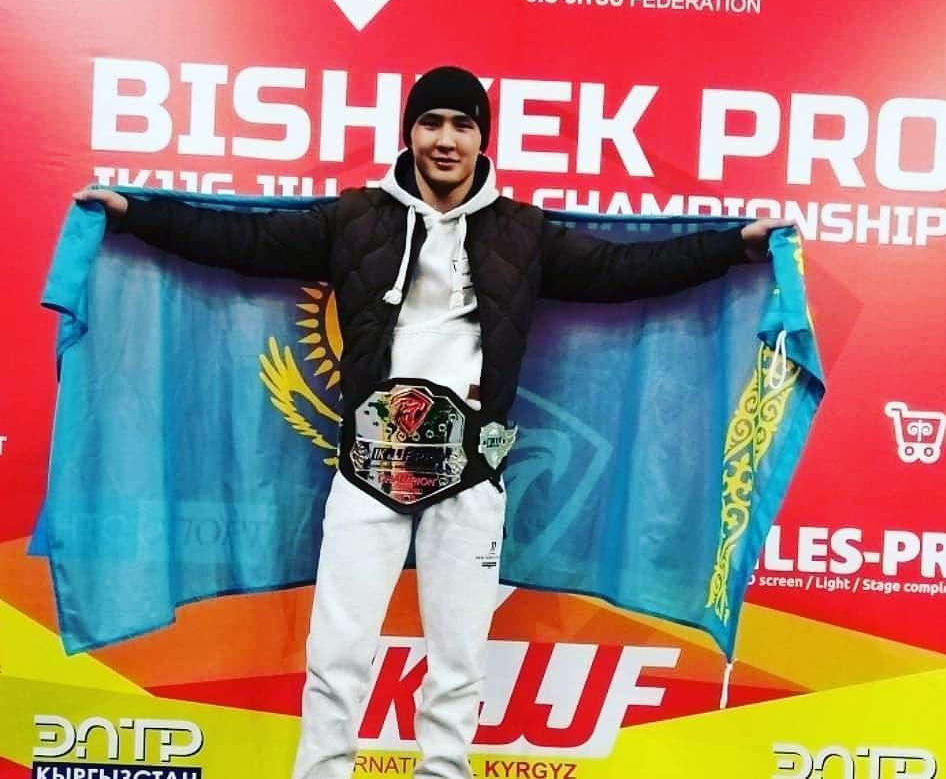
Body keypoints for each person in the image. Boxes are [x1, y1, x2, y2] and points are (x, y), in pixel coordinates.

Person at [75, 65, 786, 779]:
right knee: (336, 655)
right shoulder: (353, 219)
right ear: (409, 133)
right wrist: (134, 215)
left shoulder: (524, 233)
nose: (445, 140)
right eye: (431, 122)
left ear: (482, 139)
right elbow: (243, 241)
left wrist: (736, 247)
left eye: (462, 125)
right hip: (367, 467)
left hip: (472, 473)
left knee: (458, 663)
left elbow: (621, 269)